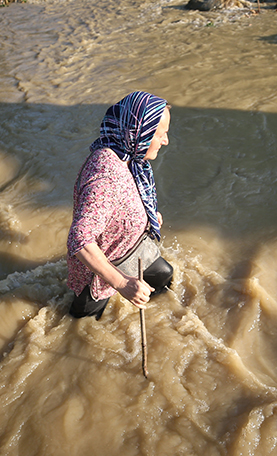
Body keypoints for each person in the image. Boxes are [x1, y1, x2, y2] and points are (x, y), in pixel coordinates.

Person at [66, 91, 174, 320]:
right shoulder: (106, 176)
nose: (166, 141)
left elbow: (124, 201)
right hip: (104, 271)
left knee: (165, 276)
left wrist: (148, 215)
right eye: (161, 134)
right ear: (140, 133)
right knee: (83, 324)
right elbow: (80, 238)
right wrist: (123, 284)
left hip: (133, 250)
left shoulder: (128, 154)